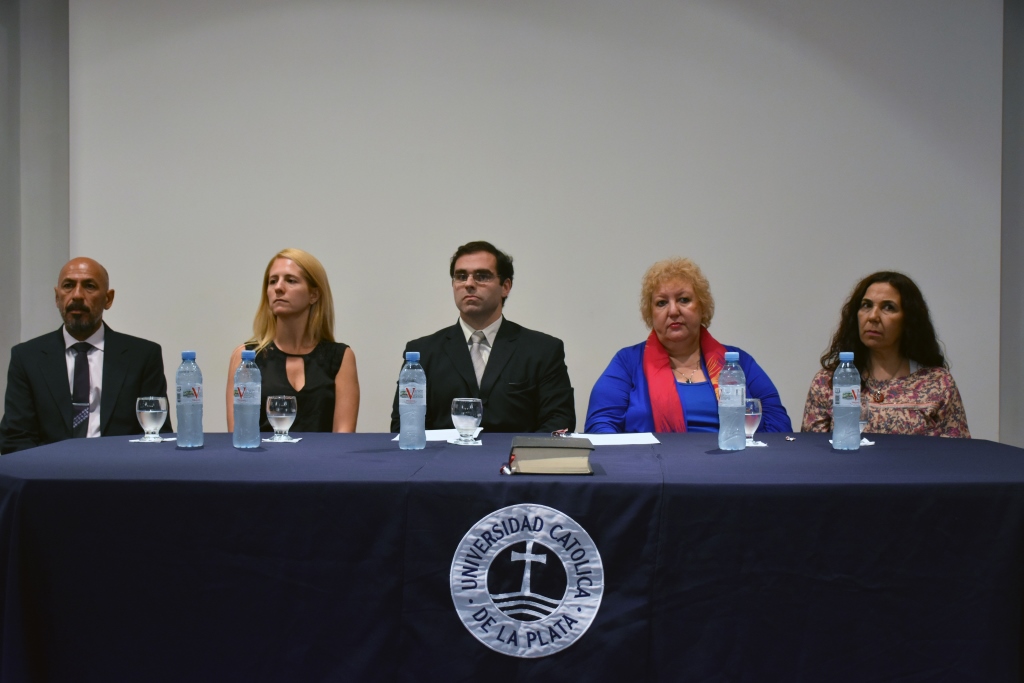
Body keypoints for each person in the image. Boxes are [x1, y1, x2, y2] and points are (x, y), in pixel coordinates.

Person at [585, 258, 791, 434]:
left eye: (684, 300)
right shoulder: (627, 363)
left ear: (702, 307)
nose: (673, 311)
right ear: (650, 314)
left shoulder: (737, 362)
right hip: (653, 473)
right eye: (661, 303)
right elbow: (600, 425)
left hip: (732, 471)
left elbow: (779, 424)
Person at [390, 240, 575, 433]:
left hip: (514, 460)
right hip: (443, 459)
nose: (469, 284)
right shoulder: (423, 352)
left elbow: (558, 420)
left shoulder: (542, 350)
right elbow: (406, 425)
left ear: (505, 286)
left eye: (482, 276)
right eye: (461, 276)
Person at [0, 257, 170, 454]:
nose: (77, 295)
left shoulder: (143, 356)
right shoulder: (27, 358)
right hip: (50, 476)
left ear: (108, 299)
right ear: (57, 297)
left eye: (89, 286)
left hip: (120, 474)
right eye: (68, 286)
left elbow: (157, 435)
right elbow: (15, 438)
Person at [801, 271, 969, 437]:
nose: (873, 317)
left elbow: (958, 456)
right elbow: (812, 455)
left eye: (888, 307)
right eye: (866, 305)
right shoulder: (829, 382)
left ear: (908, 320)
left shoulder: (938, 383)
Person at [226, 248, 359, 433]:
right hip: (261, 461)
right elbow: (238, 435)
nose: (278, 288)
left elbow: (343, 438)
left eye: (290, 280)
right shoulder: (247, 358)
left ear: (314, 295)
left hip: (324, 460)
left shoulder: (340, 357)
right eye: (273, 281)